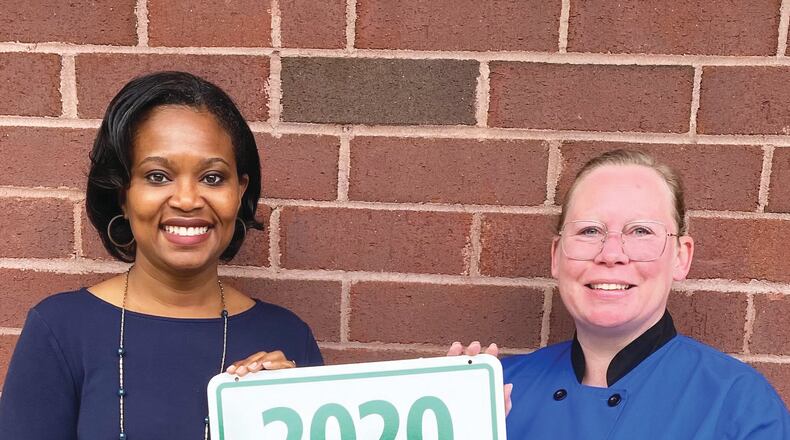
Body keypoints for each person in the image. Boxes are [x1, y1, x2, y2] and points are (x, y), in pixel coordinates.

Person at [0, 71, 323, 439]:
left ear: (240, 191)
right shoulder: (60, 329)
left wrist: (294, 419)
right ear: (122, 192)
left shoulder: (287, 338)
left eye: (213, 178)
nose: (187, 200)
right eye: (157, 176)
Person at [450, 149, 789, 438]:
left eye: (640, 231)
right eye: (589, 231)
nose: (611, 253)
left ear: (681, 257)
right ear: (557, 256)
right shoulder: (492, 394)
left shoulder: (739, 406)